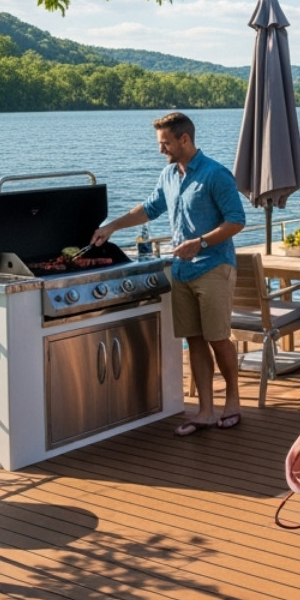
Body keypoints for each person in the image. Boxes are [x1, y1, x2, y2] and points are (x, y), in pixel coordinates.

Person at [92, 111, 246, 435]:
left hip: (214, 266)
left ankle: (233, 402)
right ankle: (205, 411)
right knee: (195, 340)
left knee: (218, 338)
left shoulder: (216, 174)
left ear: (184, 139)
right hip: (181, 270)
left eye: (165, 143)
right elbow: (149, 209)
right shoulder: (169, 175)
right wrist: (111, 227)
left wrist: (200, 242)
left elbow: (236, 220)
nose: (160, 149)